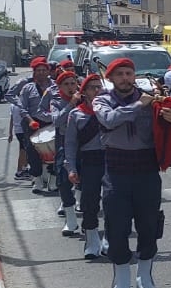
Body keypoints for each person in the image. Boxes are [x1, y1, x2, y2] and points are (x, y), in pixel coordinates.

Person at [95, 57, 171, 288]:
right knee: (117, 226)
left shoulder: (153, 99)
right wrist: (138, 105)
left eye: (129, 73)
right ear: (111, 78)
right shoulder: (102, 100)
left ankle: (145, 278)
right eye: (120, 74)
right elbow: (109, 119)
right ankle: (121, 280)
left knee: (149, 225)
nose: (125, 78)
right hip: (116, 170)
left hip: (146, 170)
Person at [64, 73, 108, 259]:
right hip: (89, 161)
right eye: (92, 87)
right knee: (89, 202)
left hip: (111, 159)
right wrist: (71, 168)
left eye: (99, 87)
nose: (97, 90)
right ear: (85, 92)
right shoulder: (76, 114)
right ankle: (92, 242)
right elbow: (71, 144)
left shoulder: (110, 110)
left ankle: (109, 239)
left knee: (113, 202)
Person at [46, 71, 84, 237]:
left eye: (72, 83)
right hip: (64, 143)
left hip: (84, 143)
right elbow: (57, 120)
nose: (70, 87)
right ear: (60, 87)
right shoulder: (56, 102)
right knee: (63, 180)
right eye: (66, 84)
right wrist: (71, 104)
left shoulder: (85, 99)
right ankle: (70, 220)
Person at [16, 58, 53, 190]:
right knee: (33, 152)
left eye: (44, 70)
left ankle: (52, 179)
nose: (41, 73)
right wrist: (30, 120)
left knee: (53, 151)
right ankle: (37, 179)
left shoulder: (55, 86)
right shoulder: (27, 88)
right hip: (33, 123)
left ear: (49, 72)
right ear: (34, 73)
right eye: (38, 70)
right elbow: (22, 108)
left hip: (52, 123)